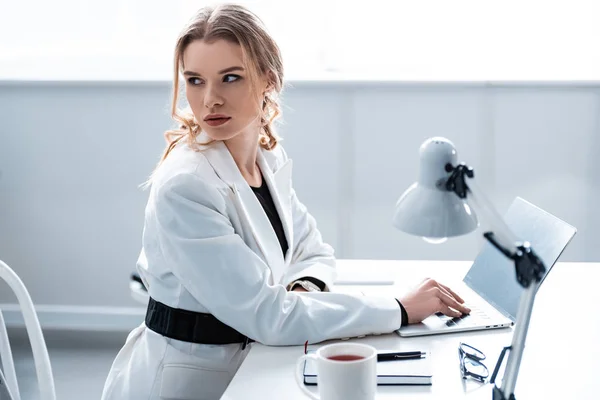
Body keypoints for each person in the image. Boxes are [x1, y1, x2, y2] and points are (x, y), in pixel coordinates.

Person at [101, 3, 470, 400]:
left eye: (230, 78)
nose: (209, 99)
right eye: (194, 80)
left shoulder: (266, 158)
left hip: (256, 363)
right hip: (189, 381)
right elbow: (268, 315)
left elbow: (314, 251)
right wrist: (397, 308)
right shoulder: (185, 186)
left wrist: (300, 291)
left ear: (268, 81)